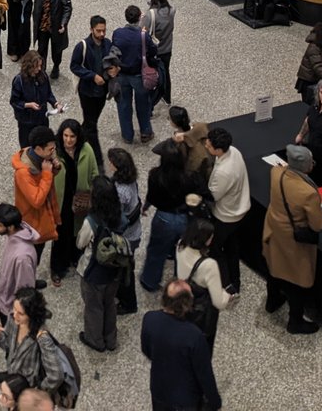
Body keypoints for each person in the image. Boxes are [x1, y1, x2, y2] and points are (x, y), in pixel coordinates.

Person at [262, 144, 322, 333]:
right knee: (295, 281)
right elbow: (317, 225)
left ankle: (272, 301)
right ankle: (295, 322)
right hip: (292, 242)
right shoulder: (308, 193)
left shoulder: (276, 173)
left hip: (273, 230)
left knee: (274, 268)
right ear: (307, 166)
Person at [140, 279, 222, 411]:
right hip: (186, 398)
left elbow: (146, 350)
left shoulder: (149, 318)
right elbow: (204, 374)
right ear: (186, 304)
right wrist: (215, 401)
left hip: (159, 389)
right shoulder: (194, 335)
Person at [138, 141, 204, 293]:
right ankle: (180, 282)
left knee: (156, 251)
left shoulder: (155, 175)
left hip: (163, 218)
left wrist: (146, 206)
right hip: (184, 218)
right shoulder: (189, 177)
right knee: (182, 252)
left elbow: (152, 197)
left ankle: (150, 281)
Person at [75, 176, 125, 353]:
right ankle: (111, 339)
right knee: (109, 304)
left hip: (93, 273)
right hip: (115, 270)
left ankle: (95, 340)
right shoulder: (120, 216)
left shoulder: (92, 221)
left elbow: (80, 243)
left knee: (94, 307)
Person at [174, 219, 235, 351]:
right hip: (201, 311)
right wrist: (226, 295)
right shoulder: (209, 265)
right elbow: (219, 302)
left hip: (183, 297)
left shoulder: (180, 245)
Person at [0, 288, 64, 396]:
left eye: (21, 313)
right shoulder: (13, 320)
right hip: (13, 378)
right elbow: (7, 344)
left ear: (31, 315)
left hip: (27, 388)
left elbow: (56, 375)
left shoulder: (42, 337)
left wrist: (38, 392)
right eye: (14, 309)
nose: (15, 315)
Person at [50, 118, 98, 286]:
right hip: (61, 201)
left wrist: (93, 191)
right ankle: (57, 268)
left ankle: (73, 257)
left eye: (72, 136)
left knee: (76, 231)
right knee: (60, 234)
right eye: (65, 136)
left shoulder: (86, 149)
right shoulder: (55, 153)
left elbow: (94, 172)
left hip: (80, 199)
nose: (68, 140)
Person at [204, 126, 250, 293]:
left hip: (225, 215)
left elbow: (213, 195)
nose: (206, 146)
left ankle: (226, 283)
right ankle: (235, 280)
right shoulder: (234, 152)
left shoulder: (224, 172)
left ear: (218, 150)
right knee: (231, 246)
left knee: (215, 249)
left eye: (209, 145)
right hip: (238, 208)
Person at [69, 15, 115, 167]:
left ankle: (74, 139)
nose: (102, 34)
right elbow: (74, 66)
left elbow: (113, 60)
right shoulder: (82, 46)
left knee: (90, 122)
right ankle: (98, 159)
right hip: (87, 92)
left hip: (102, 92)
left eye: (104, 30)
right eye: (98, 31)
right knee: (92, 125)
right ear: (91, 29)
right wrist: (92, 76)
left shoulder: (107, 44)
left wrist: (115, 69)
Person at [11, 124, 61, 264]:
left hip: (43, 217)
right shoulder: (23, 173)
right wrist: (47, 173)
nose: (53, 152)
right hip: (32, 222)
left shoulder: (41, 157)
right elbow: (37, 200)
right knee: (31, 258)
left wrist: (55, 168)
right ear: (38, 148)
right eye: (50, 149)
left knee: (37, 253)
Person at [111, 5, 157, 144]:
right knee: (143, 105)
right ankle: (145, 132)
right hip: (138, 75)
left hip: (122, 74)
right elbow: (153, 51)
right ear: (139, 18)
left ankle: (127, 135)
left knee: (124, 105)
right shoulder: (143, 35)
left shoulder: (118, 33)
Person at [108, 147, 142, 314]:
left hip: (125, 237)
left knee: (124, 272)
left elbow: (116, 216)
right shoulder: (131, 179)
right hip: (134, 232)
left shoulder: (120, 191)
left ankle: (128, 304)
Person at [0, 203, 39, 324]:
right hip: (6, 298)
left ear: (11, 227)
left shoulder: (22, 258)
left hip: (11, 309)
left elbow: (24, 290)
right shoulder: (14, 235)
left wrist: (16, 313)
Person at [10, 50, 57, 148]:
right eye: (36, 66)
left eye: (40, 66)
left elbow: (48, 93)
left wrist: (55, 104)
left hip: (42, 118)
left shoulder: (43, 76)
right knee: (27, 146)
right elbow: (14, 101)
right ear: (29, 66)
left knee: (43, 144)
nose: (39, 69)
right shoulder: (19, 81)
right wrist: (28, 105)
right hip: (27, 121)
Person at [31, 0, 71, 81]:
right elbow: (37, 2)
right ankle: (41, 69)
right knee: (41, 49)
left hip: (55, 26)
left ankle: (56, 66)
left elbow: (67, 8)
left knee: (56, 50)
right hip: (42, 25)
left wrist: (63, 23)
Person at [140, 0, 175, 104]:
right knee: (166, 72)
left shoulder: (150, 15)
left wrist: (142, 18)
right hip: (167, 48)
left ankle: (152, 99)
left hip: (155, 50)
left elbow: (142, 30)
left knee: (152, 74)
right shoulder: (172, 10)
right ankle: (167, 97)